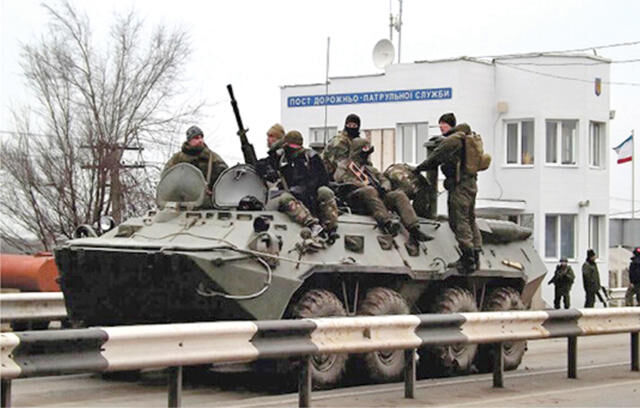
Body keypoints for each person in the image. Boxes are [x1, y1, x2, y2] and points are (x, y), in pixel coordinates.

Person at [414, 115, 482, 272]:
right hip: (470, 184)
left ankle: (467, 258)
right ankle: (475, 253)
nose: (441, 128)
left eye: (443, 125)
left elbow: (435, 158)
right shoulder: (465, 137)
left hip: (459, 186)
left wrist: (419, 168)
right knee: (470, 218)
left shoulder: (453, 140)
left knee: (458, 220)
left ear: (450, 125)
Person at [333, 137, 430, 242]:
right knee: (369, 190)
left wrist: (384, 187)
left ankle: (414, 228)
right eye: (363, 154)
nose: (366, 156)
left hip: (375, 197)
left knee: (398, 195)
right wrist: (362, 185)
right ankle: (387, 223)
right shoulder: (344, 166)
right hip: (355, 198)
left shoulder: (370, 169)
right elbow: (341, 180)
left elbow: (383, 179)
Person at [260, 130, 339, 240]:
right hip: (292, 197)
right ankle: (312, 224)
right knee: (285, 198)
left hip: (311, 195)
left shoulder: (311, 157)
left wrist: (304, 189)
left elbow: (322, 179)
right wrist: (270, 168)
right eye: (290, 146)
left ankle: (331, 228)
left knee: (325, 191)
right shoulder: (282, 158)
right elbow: (262, 164)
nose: (293, 150)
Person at [163, 125, 228, 194]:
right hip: (183, 197)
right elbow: (166, 177)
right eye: (196, 138)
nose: (200, 140)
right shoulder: (177, 158)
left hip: (207, 197)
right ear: (189, 140)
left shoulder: (212, 157)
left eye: (201, 137)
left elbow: (225, 176)